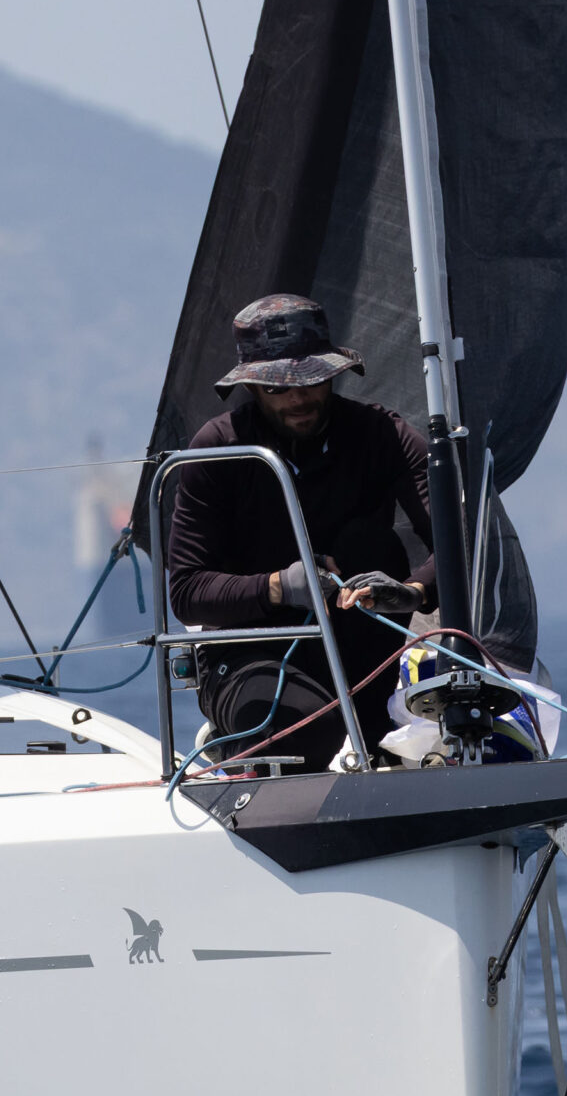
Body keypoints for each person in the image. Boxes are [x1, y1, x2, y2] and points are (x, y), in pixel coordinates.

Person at [165, 293, 437, 769]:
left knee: (369, 545)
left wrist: (413, 592)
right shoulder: (217, 448)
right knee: (302, 733)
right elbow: (187, 592)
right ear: (252, 387)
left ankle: (373, 738)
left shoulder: (382, 434)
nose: (298, 398)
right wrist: (283, 585)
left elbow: (462, 543)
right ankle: (239, 746)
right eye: (278, 388)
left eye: (312, 381)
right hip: (250, 654)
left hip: (360, 658)